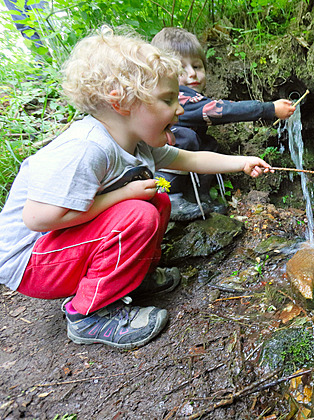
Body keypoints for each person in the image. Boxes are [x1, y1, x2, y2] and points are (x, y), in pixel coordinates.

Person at [0, 26, 273, 350]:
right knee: (138, 213)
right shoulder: (87, 148)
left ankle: (130, 279)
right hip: (30, 263)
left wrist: (240, 162)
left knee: (157, 201)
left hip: (59, 250)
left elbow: (190, 159)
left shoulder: (136, 144)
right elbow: (37, 218)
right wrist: (122, 195)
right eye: (168, 99)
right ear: (122, 102)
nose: (180, 110)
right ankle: (87, 313)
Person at [150, 27, 295, 221]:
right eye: (181, 69)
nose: (192, 74)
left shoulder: (191, 96)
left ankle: (198, 196)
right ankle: (170, 196)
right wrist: (268, 109)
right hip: (160, 157)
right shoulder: (178, 97)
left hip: (184, 155)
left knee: (208, 144)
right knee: (186, 137)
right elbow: (221, 110)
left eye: (197, 66)